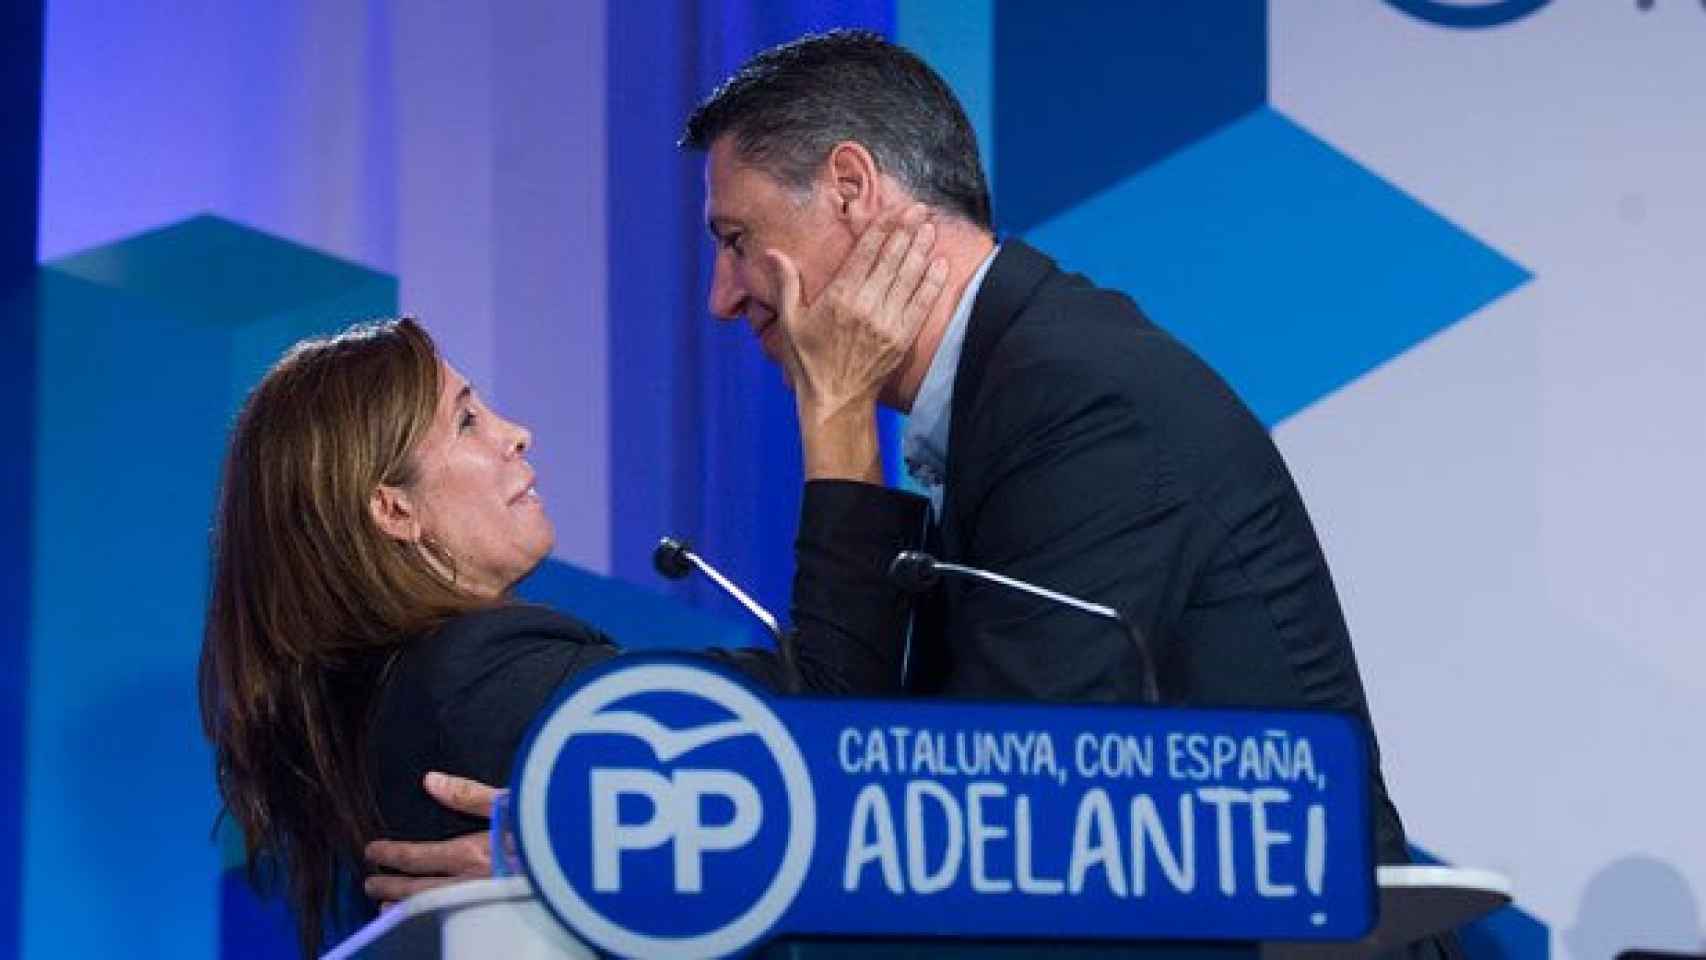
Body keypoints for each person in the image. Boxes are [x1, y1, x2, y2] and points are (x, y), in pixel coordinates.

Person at [371, 32, 1451, 955]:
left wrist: (607, 846)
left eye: (735, 241)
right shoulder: (1005, 381)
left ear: (849, 187)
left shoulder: (1075, 397)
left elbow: (991, 810)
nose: (719, 297)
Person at [199, 301, 936, 952]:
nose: (514, 434)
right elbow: (832, 720)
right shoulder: (482, 675)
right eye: (465, 420)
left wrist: (588, 859)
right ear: (394, 510)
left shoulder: (380, 699)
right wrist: (839, 408)